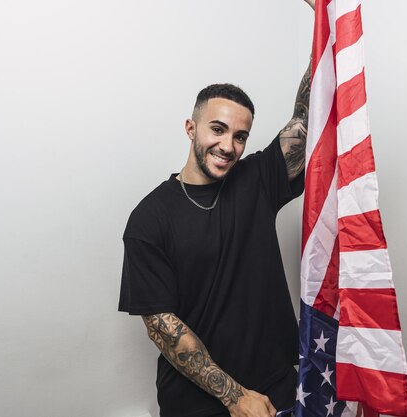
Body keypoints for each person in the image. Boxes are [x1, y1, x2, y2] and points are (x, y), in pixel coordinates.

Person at [119, 3, 315, 416]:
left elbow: (305, 116)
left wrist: (326, 24)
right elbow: (162, 327)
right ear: (191, 129)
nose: (228, 145)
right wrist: (234, 397)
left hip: (279, 385)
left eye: (240, 136)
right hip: (199, 403)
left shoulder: (256, 181)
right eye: (217, 129)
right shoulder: (149, 219)